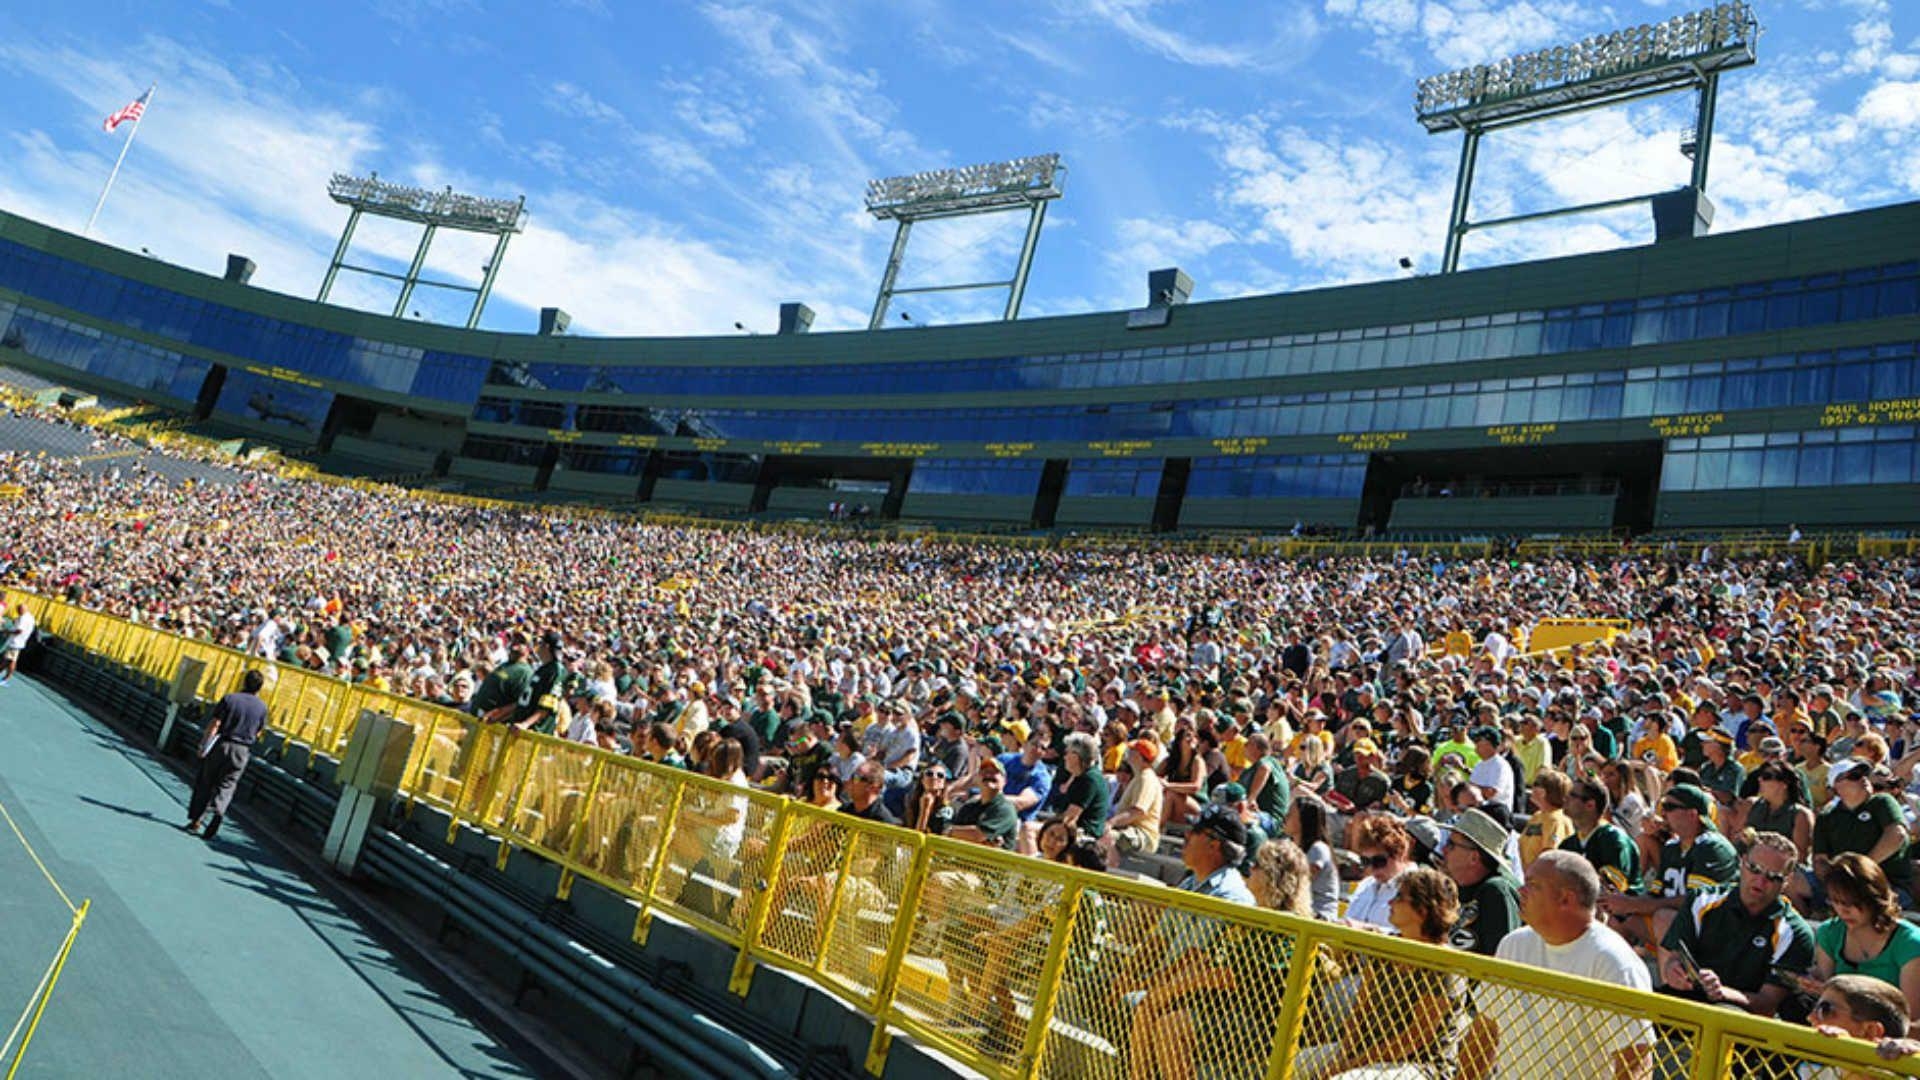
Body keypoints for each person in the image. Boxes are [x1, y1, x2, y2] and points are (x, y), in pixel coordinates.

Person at [1481, 851, 1653, 1080]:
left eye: (1532, 885)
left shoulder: (1614, 962)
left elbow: (1636, 1063)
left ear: (1566, 899)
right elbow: (1485, 1032)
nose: (1520, 891)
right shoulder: (1513, 944)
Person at [1294, 867, 1469, 1080]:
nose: (1390, 902)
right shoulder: (1386, 947)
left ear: (1423, 909)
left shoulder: (1447, 965)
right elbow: (1360, 1012)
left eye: (1400, 897)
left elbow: (1414, 1038)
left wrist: (1347, 1066)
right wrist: (1342, 1057)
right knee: (1293, 1064)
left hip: (1421, 1066)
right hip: (1365, 1050)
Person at [1657, 831, 1812, 1015]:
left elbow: (1768, 1004)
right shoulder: (1702, 900)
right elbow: (1675, 956)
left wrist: (1722, 992)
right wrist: (1674, 971)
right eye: (1754, 869)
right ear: (1742, 861)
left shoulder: (1794, 932)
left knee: (1727, 1012)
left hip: (1743, 1022)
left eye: (1772, 877)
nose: (1760, 881)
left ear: (1787, 881)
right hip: (1690, 999)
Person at [1601, 784, 1738, 951]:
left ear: (1692, 814)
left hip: (1710, 930)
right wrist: (1622, 902)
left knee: (1664, 918)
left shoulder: (1712, 847)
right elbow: (1656, 895)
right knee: (1618, 918)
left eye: (1670, 807)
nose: (1663, 814)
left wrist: (1634, 904)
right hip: (1675, 923)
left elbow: (1695, 902)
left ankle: (1667, 975)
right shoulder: (1672, 847)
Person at [1803, 853, 1920, 1021]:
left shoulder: (1910, 943)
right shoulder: (1829, 933)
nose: (1843, 911)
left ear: (1874, 898)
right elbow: (1827, 994)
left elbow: (1911, 1019)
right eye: (1836, 902)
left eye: (1852, 903)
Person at [184, 669, 271, 840]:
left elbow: (215, 723)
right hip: (242, 749)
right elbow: (260, 731)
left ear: (243, 682)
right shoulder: (262, 707)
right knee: (228, 785)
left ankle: (196, 819)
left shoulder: (230, 699)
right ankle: (219, 810)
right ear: (260, 688)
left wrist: (204, 744)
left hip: (222, 744)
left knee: (206, 781)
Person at [1815, 761, 1913, 907]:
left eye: (1864, 774)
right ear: (1836, 787)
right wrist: (1837, 881)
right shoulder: (1827, 816)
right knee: (1794, 882)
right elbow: (1819, 860)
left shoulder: (1882, 801)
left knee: (1859, 903)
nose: (1863, 779)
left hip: (1887, 884)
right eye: (1854, 776)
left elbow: (1897, 835)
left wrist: (1860, 870)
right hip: (1843, 886)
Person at [1441, 807, 1521, 956]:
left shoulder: (1497, 891)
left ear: (1474, 857)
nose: (1444, 849)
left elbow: (1502, 961)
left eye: (1451, 845)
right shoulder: (1457, 884)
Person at [1806, 975, 1914, 1079]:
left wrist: (1846, 1052)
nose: (1810, 1017)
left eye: (1825, 1010)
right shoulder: (1813, 1071)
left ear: (1870, 1031)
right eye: (1814, 1007)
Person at [1560, 777, 1642, 893]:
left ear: (1590, 805)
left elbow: (1612, 889)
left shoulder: (1613, 839)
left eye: (1572, 795)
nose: (1565, 798)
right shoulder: (1568, 844)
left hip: (1622, 908)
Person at [1097, 740, 1165, 868]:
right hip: (1131, 830)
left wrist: (1111, 823)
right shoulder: (1139, 777)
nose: (1127, 754)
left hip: (1143, 834)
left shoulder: (1146, 778)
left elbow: (1138, 811)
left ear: (1139, 756)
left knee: (1108, 836)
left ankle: (1110, 875)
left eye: (1132, 751)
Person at [1345, 812, 1415, 929]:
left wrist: (1368, 930)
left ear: (1400, 853)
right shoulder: (1365, 885)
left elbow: (1414, 936)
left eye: (1379, 861)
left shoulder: (1416, 890)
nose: (1372, 869)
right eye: (1366, 861)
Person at [947, 755, 1019, 849]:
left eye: (994, 772)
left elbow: (978, 835)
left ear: (1004, 781)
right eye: (984, 772)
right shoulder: (969, 807)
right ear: (977, 779)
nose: (988, 775)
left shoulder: (1005, 808)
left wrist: (948, 831)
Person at [1288, 793, 1341, 920]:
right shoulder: (1291, 847)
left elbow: (1299, 882)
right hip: (1298, 911)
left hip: (1319, 915)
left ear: (1303, 820)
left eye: (1290, 814)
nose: (1286, 817)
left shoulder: (1318, 849)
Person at [1518, 768, 1576, 869]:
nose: (1532, 787)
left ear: (1543, 791)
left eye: (1536, 784)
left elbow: (1550, 855)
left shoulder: (1556, 820)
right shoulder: (1537, 816)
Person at [0, 602, 33, 684]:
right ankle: (6, 678)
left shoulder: (23, 618)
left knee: (7, 660)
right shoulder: (29, 617)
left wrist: (8, 631)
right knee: (11, 660)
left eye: (18, 610)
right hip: (19, 642)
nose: (18, 612)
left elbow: (19, 630)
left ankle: (6, 678)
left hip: (16, 641)